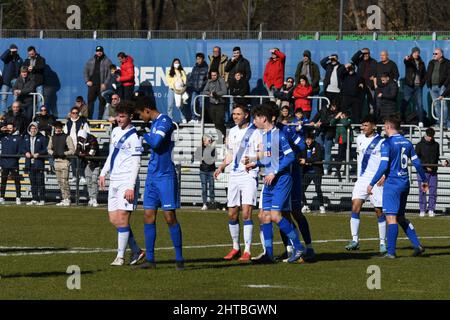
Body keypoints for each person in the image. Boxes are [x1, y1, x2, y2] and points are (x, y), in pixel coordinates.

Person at [245, 103, 306, 264]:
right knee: (264, 215)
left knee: (275, 215)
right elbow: (268, 158)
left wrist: (274, 171)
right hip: (269, 179)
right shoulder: (264, 136)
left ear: (263, 118)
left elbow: (290, 156)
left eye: (255, 118)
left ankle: (298, 247)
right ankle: (269, 254)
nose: (254, 122)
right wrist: (255, 163)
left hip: (281, 180)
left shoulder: (279, 135)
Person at [133, 94, 185, 271]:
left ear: (147, 110)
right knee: (148, 216)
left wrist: (143, 135)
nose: (141, 118)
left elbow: (155, 142)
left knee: (169, 217)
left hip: (166, 176)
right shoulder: (154, 124)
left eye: (141, 114)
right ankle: (150, 259)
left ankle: (179, 259)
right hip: (152, 177)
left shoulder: (165, 121)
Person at [367, 115, 428, 258]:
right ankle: (417, 245)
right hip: (405, 183)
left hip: (392, 185)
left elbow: (383, 165)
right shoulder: (407, 143)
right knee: (400, 217)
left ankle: (391, 252)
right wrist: (424, 180)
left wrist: (372, 183)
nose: (383, 128)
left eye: (384, 126)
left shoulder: (387, 143)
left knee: (391, 218)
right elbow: (417, 163)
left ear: (388, 127)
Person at [99, 102, 145, 266]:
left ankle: (120, 256)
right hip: (114, 180)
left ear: (130, 117)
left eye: (123, 116)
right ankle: (137, 250)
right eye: (118, 115)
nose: (119, 119)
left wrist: (130, 186)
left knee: (123, 218)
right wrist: (103, 172)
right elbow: (112, 154)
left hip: (127, 181)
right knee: (114, 219)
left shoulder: (135, 137)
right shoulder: (115, 131)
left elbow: (136, 163)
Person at [214, 105, 262, 262]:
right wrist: (221, 166)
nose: (235, 116)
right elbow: (230, 154)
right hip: (234, 175)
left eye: (238, 114)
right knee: (232, 213)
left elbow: (262, 153)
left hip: (249, 175)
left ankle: (247, 250)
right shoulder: (232, 131)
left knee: (246, 213)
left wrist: (254, 161)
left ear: (246, 115)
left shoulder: (255, 132)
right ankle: (236, 247)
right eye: (234, 113)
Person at [345, 115, 387, 254]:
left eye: (366, 125)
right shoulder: (359, 139)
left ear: (374, 126)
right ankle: (355, 240)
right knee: (355, 206)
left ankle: (382, 242)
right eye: (362, 125)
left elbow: (386, 161)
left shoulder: (381, 142)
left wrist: (384, 175)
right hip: (362, 179)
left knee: (378, 211)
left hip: (376, 180)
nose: (363, 128)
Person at [48, 121, 76, 206]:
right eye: (56, 127)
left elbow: (72, 150)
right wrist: (53, 153)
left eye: (59, 127)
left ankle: (67, 198)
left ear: (61, 128)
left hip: (64, 161)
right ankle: (64, 198)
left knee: (64, 181)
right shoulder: (52, 138)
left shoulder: (67, 137)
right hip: (56, 161)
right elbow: (49, 148)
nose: (57, 129)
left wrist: (64, 153)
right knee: (60, 182)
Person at [309, 101, 339, 175]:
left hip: (329, 133)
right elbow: (317, 116)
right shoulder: (323, 109)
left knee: (327, 151)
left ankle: (326, 168)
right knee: (317, 149)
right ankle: (315, 166)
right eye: (333, 106)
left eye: (335, 107)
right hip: (320, 131)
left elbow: (330, 122)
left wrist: (321, 123)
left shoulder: (337, 113)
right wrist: (313, 121)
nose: (334, 108)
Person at [415, 127, 440, 217]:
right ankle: (422, 209)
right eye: (429, 136)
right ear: (425, 134)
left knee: (433, 191)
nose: (430, 138)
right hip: (423, 172)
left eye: (432, 136)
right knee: (423, 191)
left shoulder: (436, 145)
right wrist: (426, 166)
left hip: (433, 173)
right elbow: (416, 159)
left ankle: (431, 209)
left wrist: (433, 167)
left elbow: (437, 157)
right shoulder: (419, 145)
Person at [299, 133, 326, 214]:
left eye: (309, 139)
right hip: (306, 172)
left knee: (318, 189)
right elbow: (299, 157)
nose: (307, 141)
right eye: (306, 139)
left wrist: (306, 160)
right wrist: (302, 160)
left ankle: (321, 206)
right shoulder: (303, 147)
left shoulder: (317, 146)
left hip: (316, 172)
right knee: (301, 189)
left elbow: (318, 157)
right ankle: (305, 205)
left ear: (312, 139)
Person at [83, 46, 112, 119]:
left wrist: (105, 83)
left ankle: (100, 120)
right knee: (90, 102)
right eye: (97, 51)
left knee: (102, 102)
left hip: (102, 85)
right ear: (96, 52)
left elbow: (110, 74)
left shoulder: (107, 61)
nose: (99, 52)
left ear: (103, 51)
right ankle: (89, 119)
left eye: (100, 51)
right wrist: (87, 81)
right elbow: (85, 71)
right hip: (92, 85)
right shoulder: (90, 60)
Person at [63, 106, 90, 185]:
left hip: (81, 144)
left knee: (81, 161)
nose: (75, 114)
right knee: (73, 161)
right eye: (73, 113)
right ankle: (74, 176)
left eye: (76, 113)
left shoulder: (83, 122)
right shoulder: (68, 123)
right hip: (71, 144)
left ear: (79, 114)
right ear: (70, 114)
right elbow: (65, 134)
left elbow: (88, 133)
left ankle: (82, 176)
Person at [22, 122, 47, 206]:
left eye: (35, 128)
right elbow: (23, 148)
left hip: (39, 162)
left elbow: (45, 150)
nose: (33, 130)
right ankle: (34, 199)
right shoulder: (26, 137)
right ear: (29, 129)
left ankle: (42, 199)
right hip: (30, 163)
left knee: (40, 182)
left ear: (37, 129)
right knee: (33, 182)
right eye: (32, 128)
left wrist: (39, 154)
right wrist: (26, 152)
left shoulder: (42, 138)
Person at [401, 47, 427, 127]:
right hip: (408, 86)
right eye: (415, 52)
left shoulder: (421, 63)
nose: (416, 54)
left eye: (417, 52)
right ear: (412, 53)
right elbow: (406, 62)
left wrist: (421, 84)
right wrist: (406, 59)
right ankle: (401, 120)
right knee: (405, 103)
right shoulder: (409, 60)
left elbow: (425, 75)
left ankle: (420, 121)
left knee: (419, 104)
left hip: (418, 87)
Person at [425, 48, 450, 129]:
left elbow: (449, 76)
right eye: (433, 53)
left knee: (444, 105)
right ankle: (439, 122)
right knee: (436, 105)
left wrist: (444, 85)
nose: (434, 55)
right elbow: (428, 73)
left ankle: (445, 123)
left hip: (442, 86)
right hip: (432, 86)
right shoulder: (431, 62)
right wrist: (428, 83)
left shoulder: (447, 62)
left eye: (436, 54)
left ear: (441, 54)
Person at [76, 129, 100, 207]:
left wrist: (82, 154)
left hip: (95, 163)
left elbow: (92, 153)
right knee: (89, 181)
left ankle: (95, 198)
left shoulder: (92, 139)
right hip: (86, 163)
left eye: (81, 138)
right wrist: (81, 154)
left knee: (94, 181)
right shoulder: (79, 141)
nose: (80, 139)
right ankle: (91, 198)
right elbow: (76, 151)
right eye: (79, 138)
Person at [0, 122, 22, 205]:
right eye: (8, 128)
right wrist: (1, 129)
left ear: (14, 128)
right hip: (4, 163)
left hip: (14, 163)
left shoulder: (19, 138)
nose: (9, 129)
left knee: (17, 181)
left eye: (10, 128)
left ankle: (18, 197)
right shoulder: (3, 136)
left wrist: (16, 158)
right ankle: (2, 197)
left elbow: (20, 151)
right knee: (3, 181)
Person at [351, 48, 377, 115]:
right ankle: (359, 119)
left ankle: (371, 118)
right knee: (359, 103)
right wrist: (360, 51)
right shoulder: (359, 61)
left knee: (371, 104)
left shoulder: (374, 62)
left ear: (369, 54)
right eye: (364, 54)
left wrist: (374, 76)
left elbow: (377, 72)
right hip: (361, 85)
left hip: (370, 86)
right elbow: (353, 59)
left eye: (367, 53)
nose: (365, 55)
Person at [202, 70, 228, 138]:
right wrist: (209, 93)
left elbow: (224, 91)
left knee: (219, 120)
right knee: (214, 120)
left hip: (220, 103)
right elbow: (204, 91)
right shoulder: (209, 81)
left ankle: (224, 134)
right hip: (212, 103)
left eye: (215, 75)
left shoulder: (221, 80)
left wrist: (215, 94)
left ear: (217, 75)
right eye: (212, 75)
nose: (213, 77)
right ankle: (221, 134)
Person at [330, 110, 353, 179]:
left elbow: (346, 123)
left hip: (347, 141)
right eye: (342, 115)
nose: (342, 116)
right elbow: (331, 122)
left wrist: (343, 118)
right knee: (339, 156)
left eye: (344, 115)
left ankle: (346, 171)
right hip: (341, 141)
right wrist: (337, 116)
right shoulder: (339, 120)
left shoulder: (348, 119)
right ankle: (338, 170)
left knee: (347, 156)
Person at [195, 134, 216, 211]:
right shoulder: (200, 149)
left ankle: (212, 203)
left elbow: (213, 159)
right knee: (204, 188)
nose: (209, 142)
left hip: (211, 170)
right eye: (207, 140)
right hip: (203, 170)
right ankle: (204, 203)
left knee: (212, 187)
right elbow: (197, 157)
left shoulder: (212, 149)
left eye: (210, 140)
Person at [1, 44, 23, 114]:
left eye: (15, 50)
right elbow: (2, 57)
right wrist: (9, 50)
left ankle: (14, 113)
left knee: (15, 98)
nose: (14, 52)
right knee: (4, 98)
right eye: (12, 50)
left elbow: (21, 70)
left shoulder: (19, 59)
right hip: (6, 81)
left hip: (15, 80)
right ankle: (3, 114)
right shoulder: (7, 57)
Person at [187, 53, 208, 123]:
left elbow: (207, 79)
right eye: (197, 59)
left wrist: (203, 86)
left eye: (200, 59)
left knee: (201, 105)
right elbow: (192, 78)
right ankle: (194, 118)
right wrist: (193, 85)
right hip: (195, 90)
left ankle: (200, 119)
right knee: (192, 104)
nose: (198, 60)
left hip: (202, 90)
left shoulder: (206, 68)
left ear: (203, 59)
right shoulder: (194, 68)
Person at [166, 58, 189, 124]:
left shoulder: (182, 71)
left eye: (178, 63)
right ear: (173, 64)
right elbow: (168, 80)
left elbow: (184, 80)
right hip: (172, 90)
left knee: (180, 105)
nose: (176, 64)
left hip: (180, 90)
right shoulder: (169, 71)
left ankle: (183, 118)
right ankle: (170, 119)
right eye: (175, 63)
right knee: (170, 104)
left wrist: (182, 85)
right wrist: (174, 87)